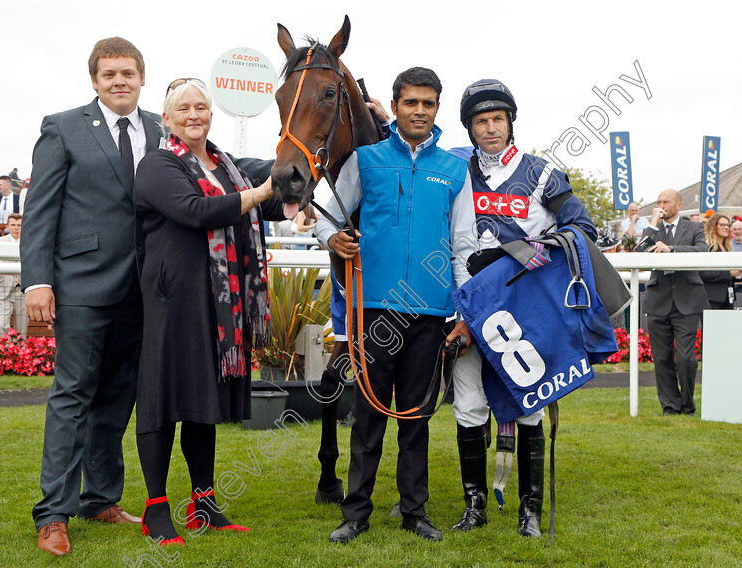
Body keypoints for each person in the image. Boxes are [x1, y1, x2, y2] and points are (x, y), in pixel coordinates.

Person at [315, 67, 477, 544]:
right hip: (375, 309)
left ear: (437, 110)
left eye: (428, 104)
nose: (420, 111)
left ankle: (414, 511)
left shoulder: (453, 169)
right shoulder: (364, 160)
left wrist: (465, 311)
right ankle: (356, 514)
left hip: (430, 312)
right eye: (411, 103)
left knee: (415, 417)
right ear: (396, 106)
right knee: (368, 416)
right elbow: (327, 217)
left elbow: (464, 243)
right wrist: (335, 237)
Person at [21, 37, 162, 557]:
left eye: (127, 73)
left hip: (144, 289)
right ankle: (52, 514)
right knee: (72, 397)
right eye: (109, 74)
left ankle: (100, 498)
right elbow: (39, 210)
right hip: (81, 285)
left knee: (117, 398)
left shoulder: (160, 128)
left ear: (141, 78)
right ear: (95, 81)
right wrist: (38, 280)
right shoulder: (63, 127)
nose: (119, 81)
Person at [133, 77, 282, 545]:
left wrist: (289, 199)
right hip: (173, 298)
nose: (194, 114)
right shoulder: (157, 163)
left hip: (220, 301)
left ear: (211, 114)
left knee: (202, 400)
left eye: (202, 106)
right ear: (167, 117)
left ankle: (204, 502)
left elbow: (273, 197)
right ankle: (155, 508)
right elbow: (196, 211)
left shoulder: (225, 164)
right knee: (163, 398)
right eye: (184, 108)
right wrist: (260, 194)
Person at [447, 78, 597, 538]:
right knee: (469, 404)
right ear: (469, 128)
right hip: (468, 310)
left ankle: (529, 511)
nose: (490, 128)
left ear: (511, 122)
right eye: (480, 121)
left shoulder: (542, 172)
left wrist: (521, 247)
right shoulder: (455, 171)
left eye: (497, 119)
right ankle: (475, 506)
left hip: (523, 312)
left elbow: (582, 229)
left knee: (530, 402)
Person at [642, 189, 709, 416]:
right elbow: (639, 249)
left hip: (687, 301)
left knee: (686, 359)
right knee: (661, 358)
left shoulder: (694, 227)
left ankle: (687, 404)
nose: (662, 206)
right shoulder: (653, 228)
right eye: (659, 201)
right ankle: (670, 407)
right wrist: (652, 221)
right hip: (658, 300)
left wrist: (671, 249)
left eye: (666, 202)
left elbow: (702, 249)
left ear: (679, 205)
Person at [0, 214, 27, 337]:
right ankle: (5, 351)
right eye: (13, 225)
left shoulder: (30, 242)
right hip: (3, 288)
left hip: (23, 288)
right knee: (1, 325)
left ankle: (21, 354)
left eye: (19, 225)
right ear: (7, 226)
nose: (16, 228)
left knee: (21, 328)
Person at [699, 214, 738, 310]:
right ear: (713, 226)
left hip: (728, 297)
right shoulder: (708, 247)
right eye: (722, 225)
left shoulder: (728, 247)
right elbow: (703, 273)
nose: (726, 228)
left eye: (728, 225)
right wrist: (728, 273)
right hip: (711, 297)